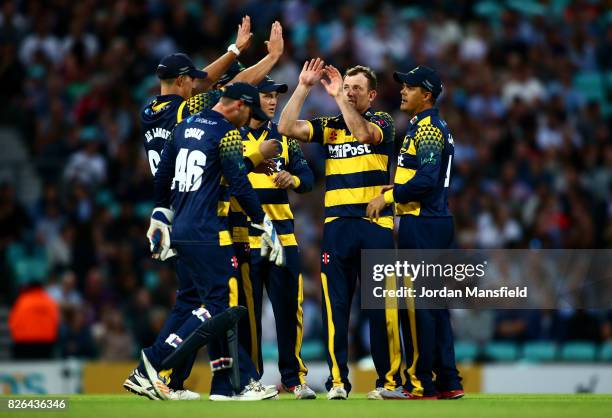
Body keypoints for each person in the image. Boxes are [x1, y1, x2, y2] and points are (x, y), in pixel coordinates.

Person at [126, 18, 284, 400]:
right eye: (194, 81)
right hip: (202, 214)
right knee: (218, 304)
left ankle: (168, 378)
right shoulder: (195, 116)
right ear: (183, 84)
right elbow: (234, 89)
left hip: (176, 211)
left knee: (191, 301)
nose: (201, 84)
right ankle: (162, 364)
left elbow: (213, 86)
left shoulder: (155, 112)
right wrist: (271, 57)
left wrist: (233, 50)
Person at [278, 59, 403, 400]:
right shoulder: (331, 126)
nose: (349, 93)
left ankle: (389, 383)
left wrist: (337, 99)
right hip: (336, 227)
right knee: (337, 308)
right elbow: (286, 128)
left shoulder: (383, 121)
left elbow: (362, 134)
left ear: (371, 95)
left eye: (356, 89)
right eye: (346, 87)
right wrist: (303, 87)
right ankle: (337, 383)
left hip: (374, 226)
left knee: (381, 307)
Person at [367, 66, 464, 399]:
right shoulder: (428, 127)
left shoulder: (428, 129)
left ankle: (422, 383)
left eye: (409, 87)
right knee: (435, 305)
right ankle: (449, 380)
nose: (403, 92)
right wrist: (396, 186)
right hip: (432, 222)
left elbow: (425, 180)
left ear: (427, 94)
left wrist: (389, 196)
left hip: (423, 223)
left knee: (419, 306)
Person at [236, 76, 316, 399]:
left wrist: (293, 178)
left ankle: (294, 378)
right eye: (266, 96)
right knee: (249, 317)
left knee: (288, 310)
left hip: (283, 238)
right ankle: (252, 380)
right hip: (246, 238)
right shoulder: (232, 136)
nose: (272, 101)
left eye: (275, 97)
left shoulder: (284, 138)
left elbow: (309, 177)